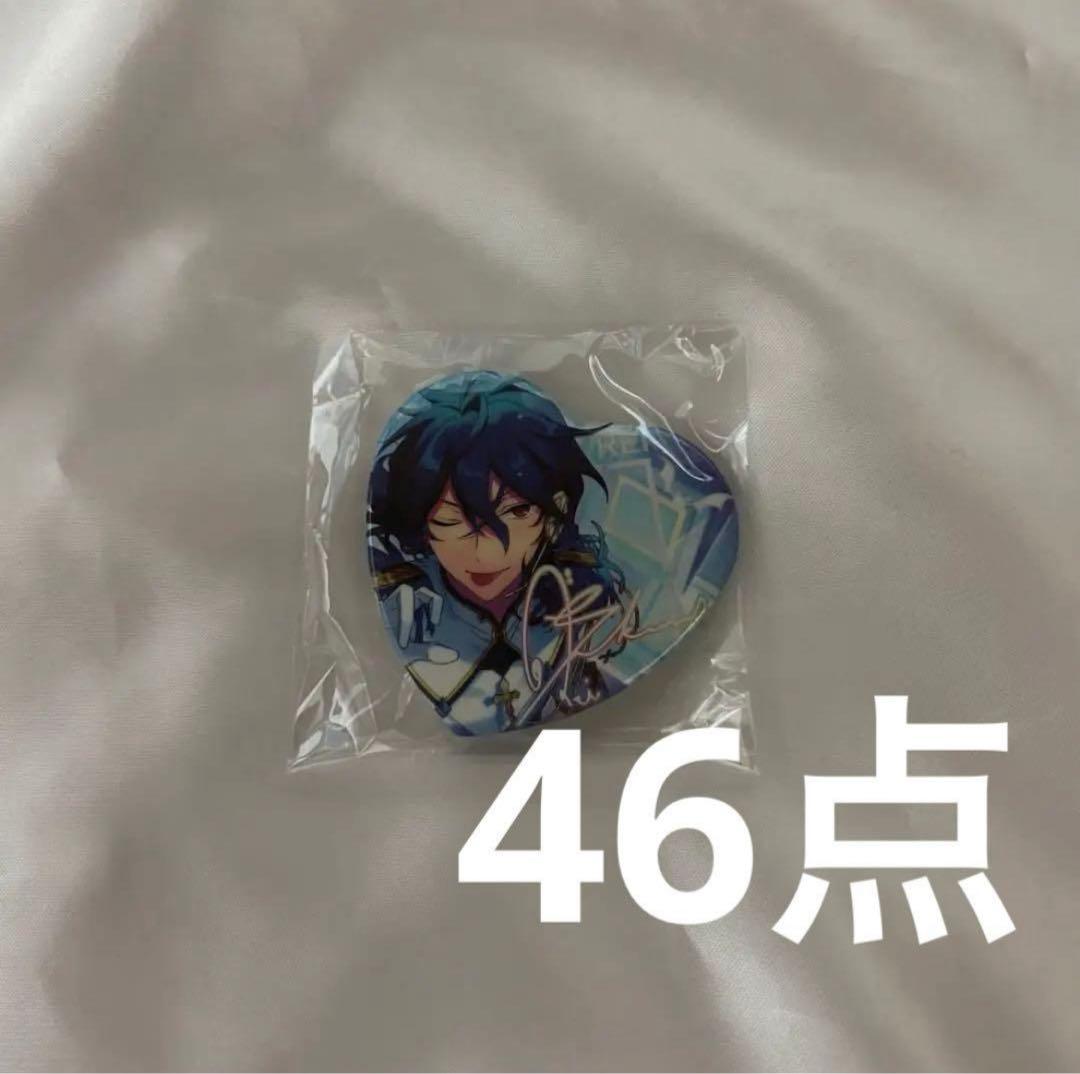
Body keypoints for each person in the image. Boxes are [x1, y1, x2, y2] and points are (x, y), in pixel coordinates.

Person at [368, 371, 634, 735]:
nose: (485, 554)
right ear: (421, 526)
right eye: (448, 521)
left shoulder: (592, 606)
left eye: (517, 513)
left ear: (555, 512)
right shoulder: (403, 606)